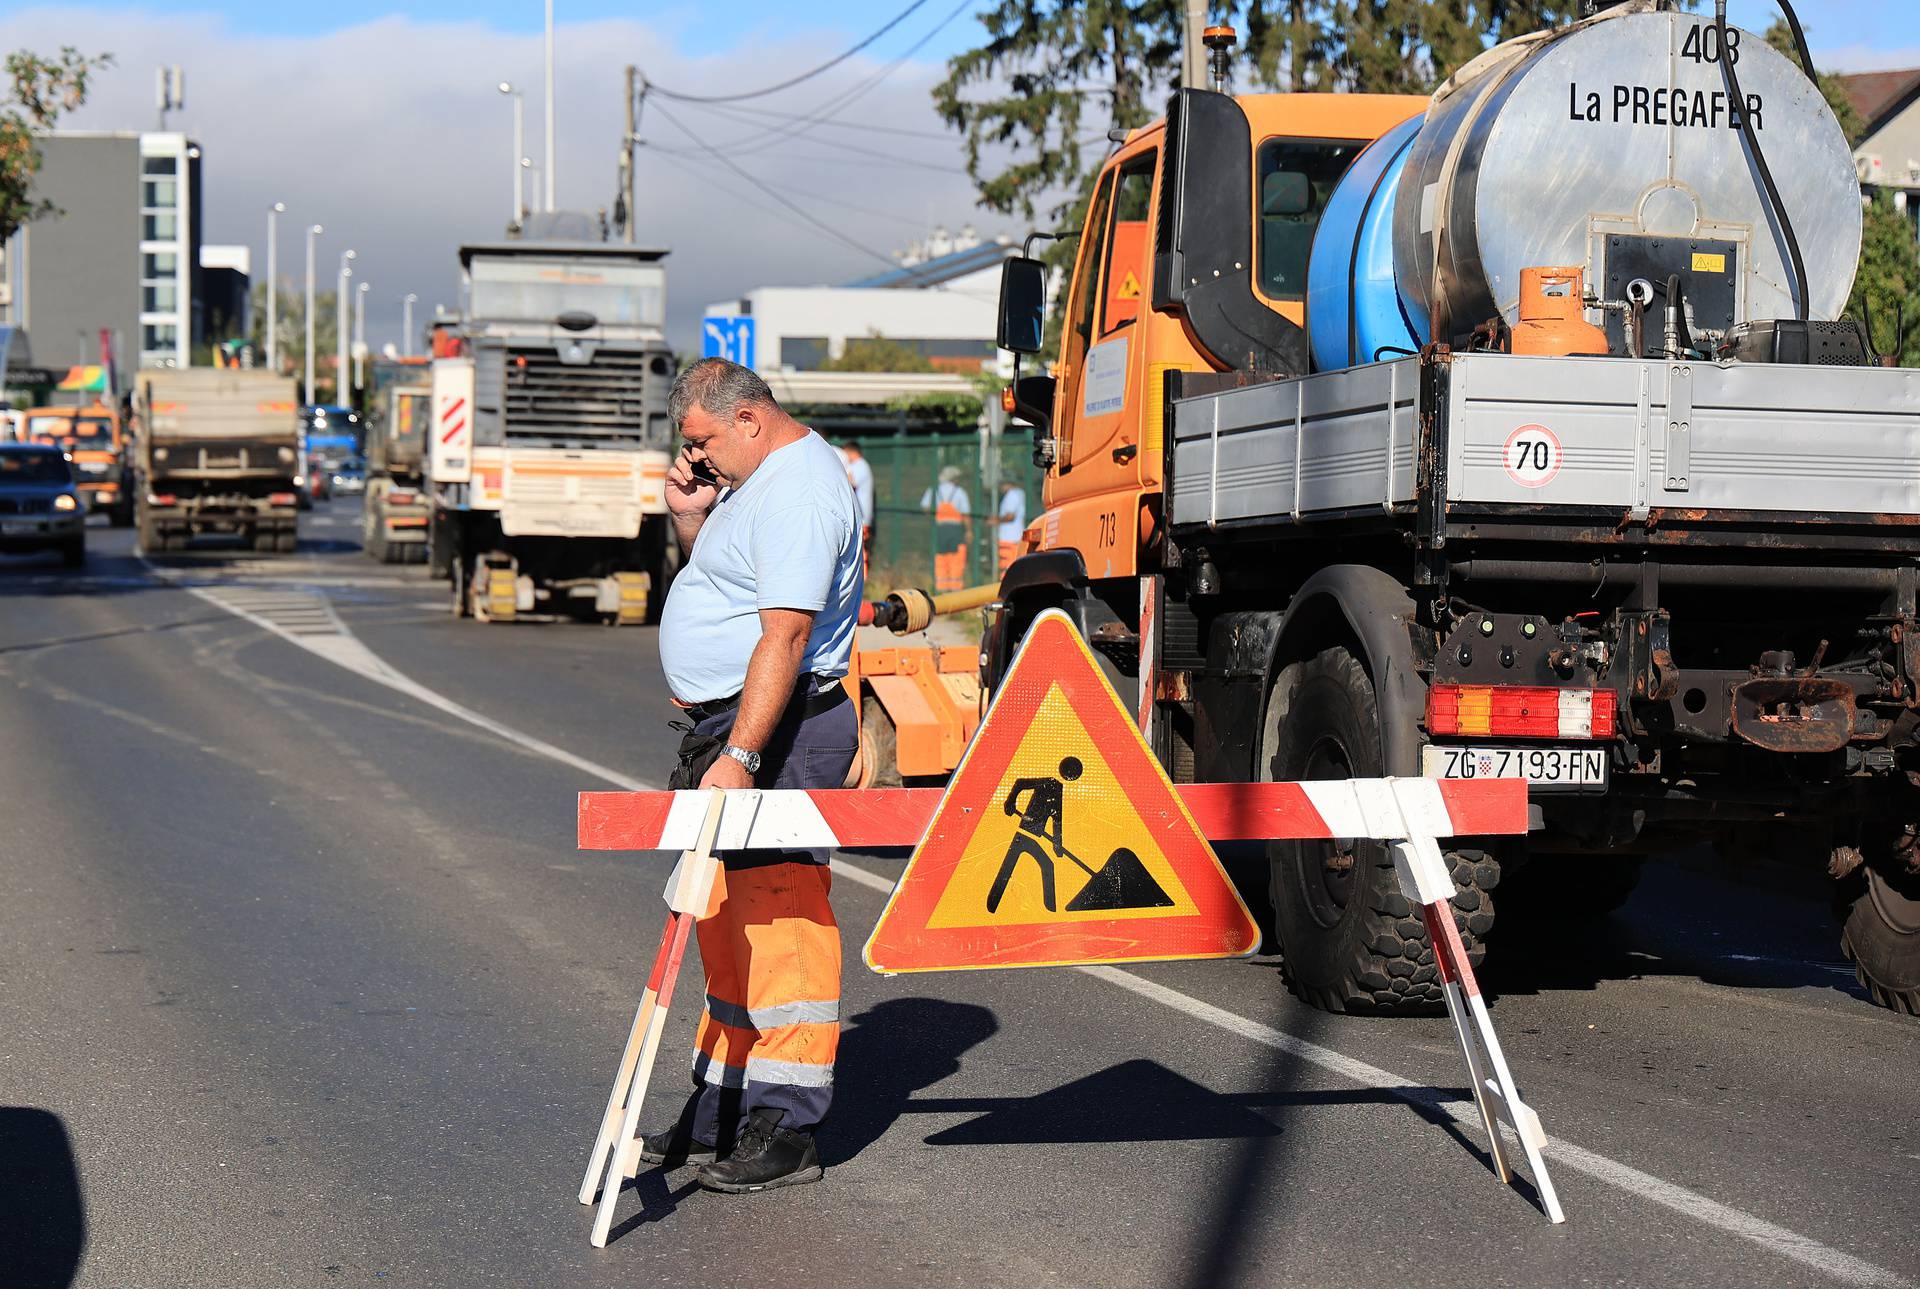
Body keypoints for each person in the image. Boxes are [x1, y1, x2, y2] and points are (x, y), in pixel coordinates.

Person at [643, 357, 863, 1193]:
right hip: (739, 724)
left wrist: (739, 755)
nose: (694, 457)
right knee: (727, 917)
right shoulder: (752, 478)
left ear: (747, 418)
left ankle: (788, 1121)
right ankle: (731, 1099)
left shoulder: (801, 487)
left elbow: (787, 634)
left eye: (700, 442)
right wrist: (694, 519)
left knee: (782, 918)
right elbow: (728, 590)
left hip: (782, 728)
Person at [919, 464, 971, 592]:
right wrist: (969, 531)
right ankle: (955, 590)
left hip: (939, 529)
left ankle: (941, 590)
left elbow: (925, 507)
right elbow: (965, 514)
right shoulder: (960, 492)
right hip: (955, 530)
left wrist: (934, 516)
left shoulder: (933, 490)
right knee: (956, 560)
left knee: (940, 559)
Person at [841, 440, 875, 575]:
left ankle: (863, 583)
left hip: (862, 520)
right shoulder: (860, 466)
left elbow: (850, 481)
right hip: (861, 519)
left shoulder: (859, 466)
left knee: (860, 554)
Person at [996, 478, 1027, 572]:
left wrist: (995, 520)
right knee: (1016, 564)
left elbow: (1010, 516)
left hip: (1008, 538)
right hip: (1016, 537)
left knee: (1007, 566)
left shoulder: (1012, 495)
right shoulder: (1020, 493)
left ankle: (1005, 584)